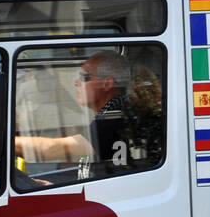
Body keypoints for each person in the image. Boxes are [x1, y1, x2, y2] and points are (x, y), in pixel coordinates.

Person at [14, 50, 160, 182]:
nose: (76, 83)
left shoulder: (114, 118)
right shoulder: (113, 112)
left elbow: (52, 149)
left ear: (107, 84)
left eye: (84, 77)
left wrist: (5, 142)